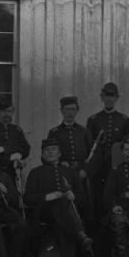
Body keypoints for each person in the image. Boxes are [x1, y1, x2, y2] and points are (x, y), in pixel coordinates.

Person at [24, 138, 95, 257]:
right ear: (42, 154)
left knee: (62, 217)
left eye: (53, 150)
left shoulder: (70, 172)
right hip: (44, 213)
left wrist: (73, 196)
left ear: (60, 153)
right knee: (62, 208)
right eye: (47, 150)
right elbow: (27, 198)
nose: (50, 153)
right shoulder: (36, 172)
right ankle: (79, 237)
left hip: (65, 214)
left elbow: (82, 198)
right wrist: (47, 197)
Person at [48, 95, 96, 223]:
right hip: (64, 175)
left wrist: (85, 170)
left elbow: (93, 155)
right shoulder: (54, 132)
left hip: (81, 174)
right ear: (62, 111)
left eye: (73, 109)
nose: (70, 113)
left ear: (77, 111)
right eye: (67, 109)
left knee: (84, 206)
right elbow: (48, 155)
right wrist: (59, 164)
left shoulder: (84, 132)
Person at [0, 98, 31, 189]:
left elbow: (26, 148)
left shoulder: (17, 130)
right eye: (3, 111)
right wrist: (10, 154)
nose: (7, 114)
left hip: (13, 171)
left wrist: (18, 154)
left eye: (9, 111)